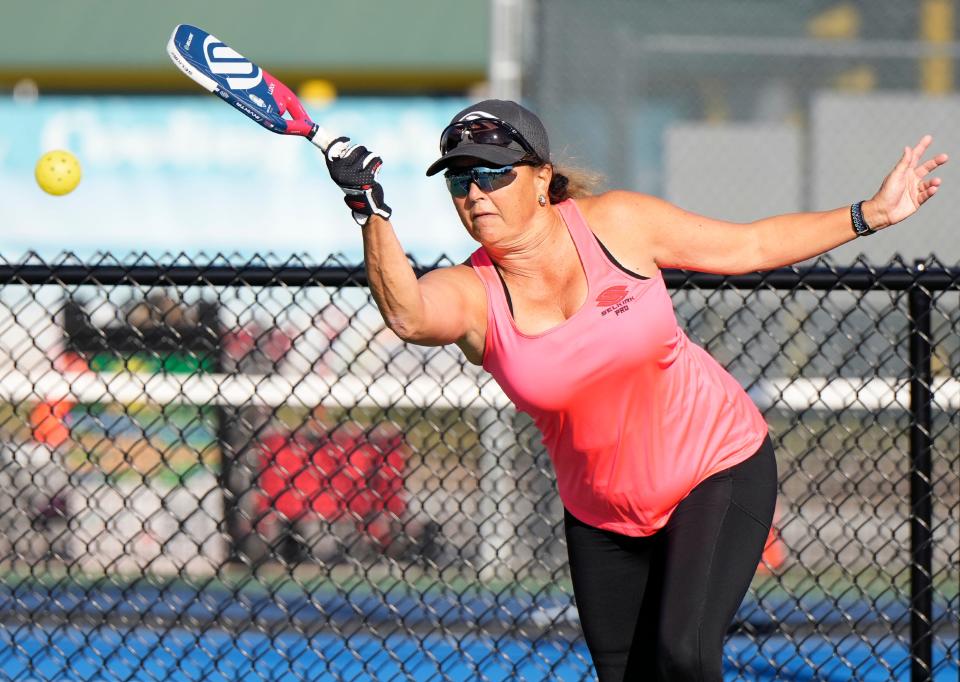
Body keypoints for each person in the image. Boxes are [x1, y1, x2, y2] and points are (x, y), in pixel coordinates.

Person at [322, 99, 947, 681]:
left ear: (541, 180)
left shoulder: (618, 224)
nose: (476, 194)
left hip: (715, 467)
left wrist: (872, 214)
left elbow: (751, 245)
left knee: (684, 654)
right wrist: (370, 210)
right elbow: (406, 314)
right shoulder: (471, 293)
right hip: (601, 515)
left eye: (493, 174)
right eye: (460, 181)